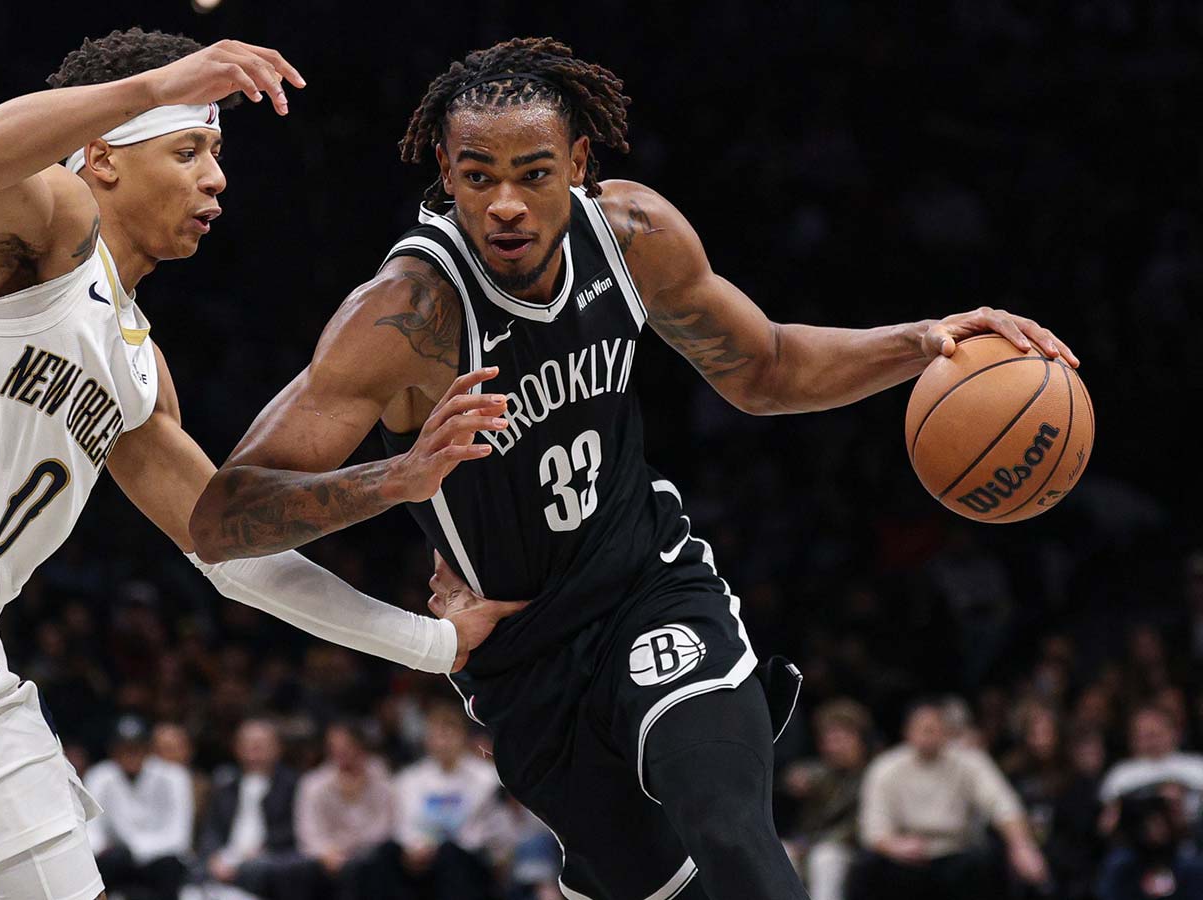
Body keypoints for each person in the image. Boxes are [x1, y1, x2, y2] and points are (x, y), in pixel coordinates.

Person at [187, 35, 1079, 900]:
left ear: (578, 163)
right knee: (668, 887)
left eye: (533, 174)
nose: (505, 203)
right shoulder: (407, 315)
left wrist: (922, 343)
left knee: (728, 826)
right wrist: (394, 478)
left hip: (647, 584)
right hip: (522, 656)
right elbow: (223, 519)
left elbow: (763, 368)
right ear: (445, 172)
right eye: (478, 176)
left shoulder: (634, 235)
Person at [0, 27, 518, 900]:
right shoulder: (49, 234)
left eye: (215, 152)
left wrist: (427, 620)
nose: (216, 177)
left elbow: (230, 550)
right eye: (189, 150)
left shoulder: (138, 369)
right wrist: (154, 84)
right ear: (101, 157)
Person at [852, 699, 1049, 899]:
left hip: (958, 853)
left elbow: (1002, 803)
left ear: (946, 731)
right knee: (867, 866)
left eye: (934, 729)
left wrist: (1021, 845)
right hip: (904, 856)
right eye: (923, 729)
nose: (928, 735)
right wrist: (894, 845)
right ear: (907, 731)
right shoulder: (885, 768)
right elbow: (873, 827)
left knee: (990, 861)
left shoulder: (970, 761)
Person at [347, 702, 501, 900]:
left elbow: (482, 827)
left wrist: (437, 847)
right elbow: (404, 822)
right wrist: (416, 846)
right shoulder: (410, 779)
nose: (443, 742)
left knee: (449, 854)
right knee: (385, 854)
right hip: (418, 854)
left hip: (467, 856)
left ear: (462, 737)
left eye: (449, 734)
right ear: (427, 740)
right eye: (437, 735)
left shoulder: (486, 777)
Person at [198, 719, 320, 900]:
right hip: (227, 855)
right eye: (247, 745)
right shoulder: (226, 786)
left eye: (261, 745)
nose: (254, 751)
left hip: (271, 855)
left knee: (259, 870)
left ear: (278, 748)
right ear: (236, 748)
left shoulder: (294, 785)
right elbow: (212, 829)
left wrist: (261, 849)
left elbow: (294, 829)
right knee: (193, 873)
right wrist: (212, 858)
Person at [83, 715, 192, 900]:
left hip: (160, 859)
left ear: (148, 749)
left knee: (169, 867)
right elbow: (91, 830)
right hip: (119, 860)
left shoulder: (174, 776)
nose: (130, 754)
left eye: (136, 748)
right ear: (113, 750)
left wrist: (138, 849)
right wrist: (106, 849)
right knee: (105, 864)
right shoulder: (100, 776)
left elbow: (179, 837)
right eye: (124, 748)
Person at [782, 699, 874, 900]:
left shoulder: (875, 773)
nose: (833, 747)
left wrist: (810, 844)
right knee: (782, 852)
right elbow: (803, 778)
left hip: (853, 849)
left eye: (841, 739)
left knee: (825, 858)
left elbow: (858, 827)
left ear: (861, 739)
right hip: (811, 844)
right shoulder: (821, 773)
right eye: (828, 740)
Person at [294, 720, 395, 886]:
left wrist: (350, 847)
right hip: (326, 857)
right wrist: (327, 853)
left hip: (371, 853)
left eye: (347, 745)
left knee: (381, 858)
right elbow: (308, 833)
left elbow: (385, 825)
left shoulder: (380, 778)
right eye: (334, 746)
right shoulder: (313, 784)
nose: (340, 751)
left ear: (360, 746)